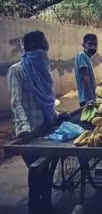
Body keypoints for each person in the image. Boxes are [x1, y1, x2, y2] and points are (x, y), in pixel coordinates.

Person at [8, 30, 58, 214]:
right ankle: (36, 207)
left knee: (46, 171)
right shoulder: (17, 70)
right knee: (36, 170)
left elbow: (48, 99)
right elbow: (16, 102)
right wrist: (24, 129)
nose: (42, 55)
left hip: (47, 128)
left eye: (44, 50)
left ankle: (46, 205)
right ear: (29, 50)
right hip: (30, 133)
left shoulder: (44, 69)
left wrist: (55, 115)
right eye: (39, 50)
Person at [75, 34, 98, 107]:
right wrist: (91, 98)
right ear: (83, 45)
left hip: (88, 98)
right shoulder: (82, 55)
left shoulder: (88, 57)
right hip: (86, 99)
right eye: (90, 44)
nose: (93, 46)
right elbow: (85, 77)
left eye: (95, 44)